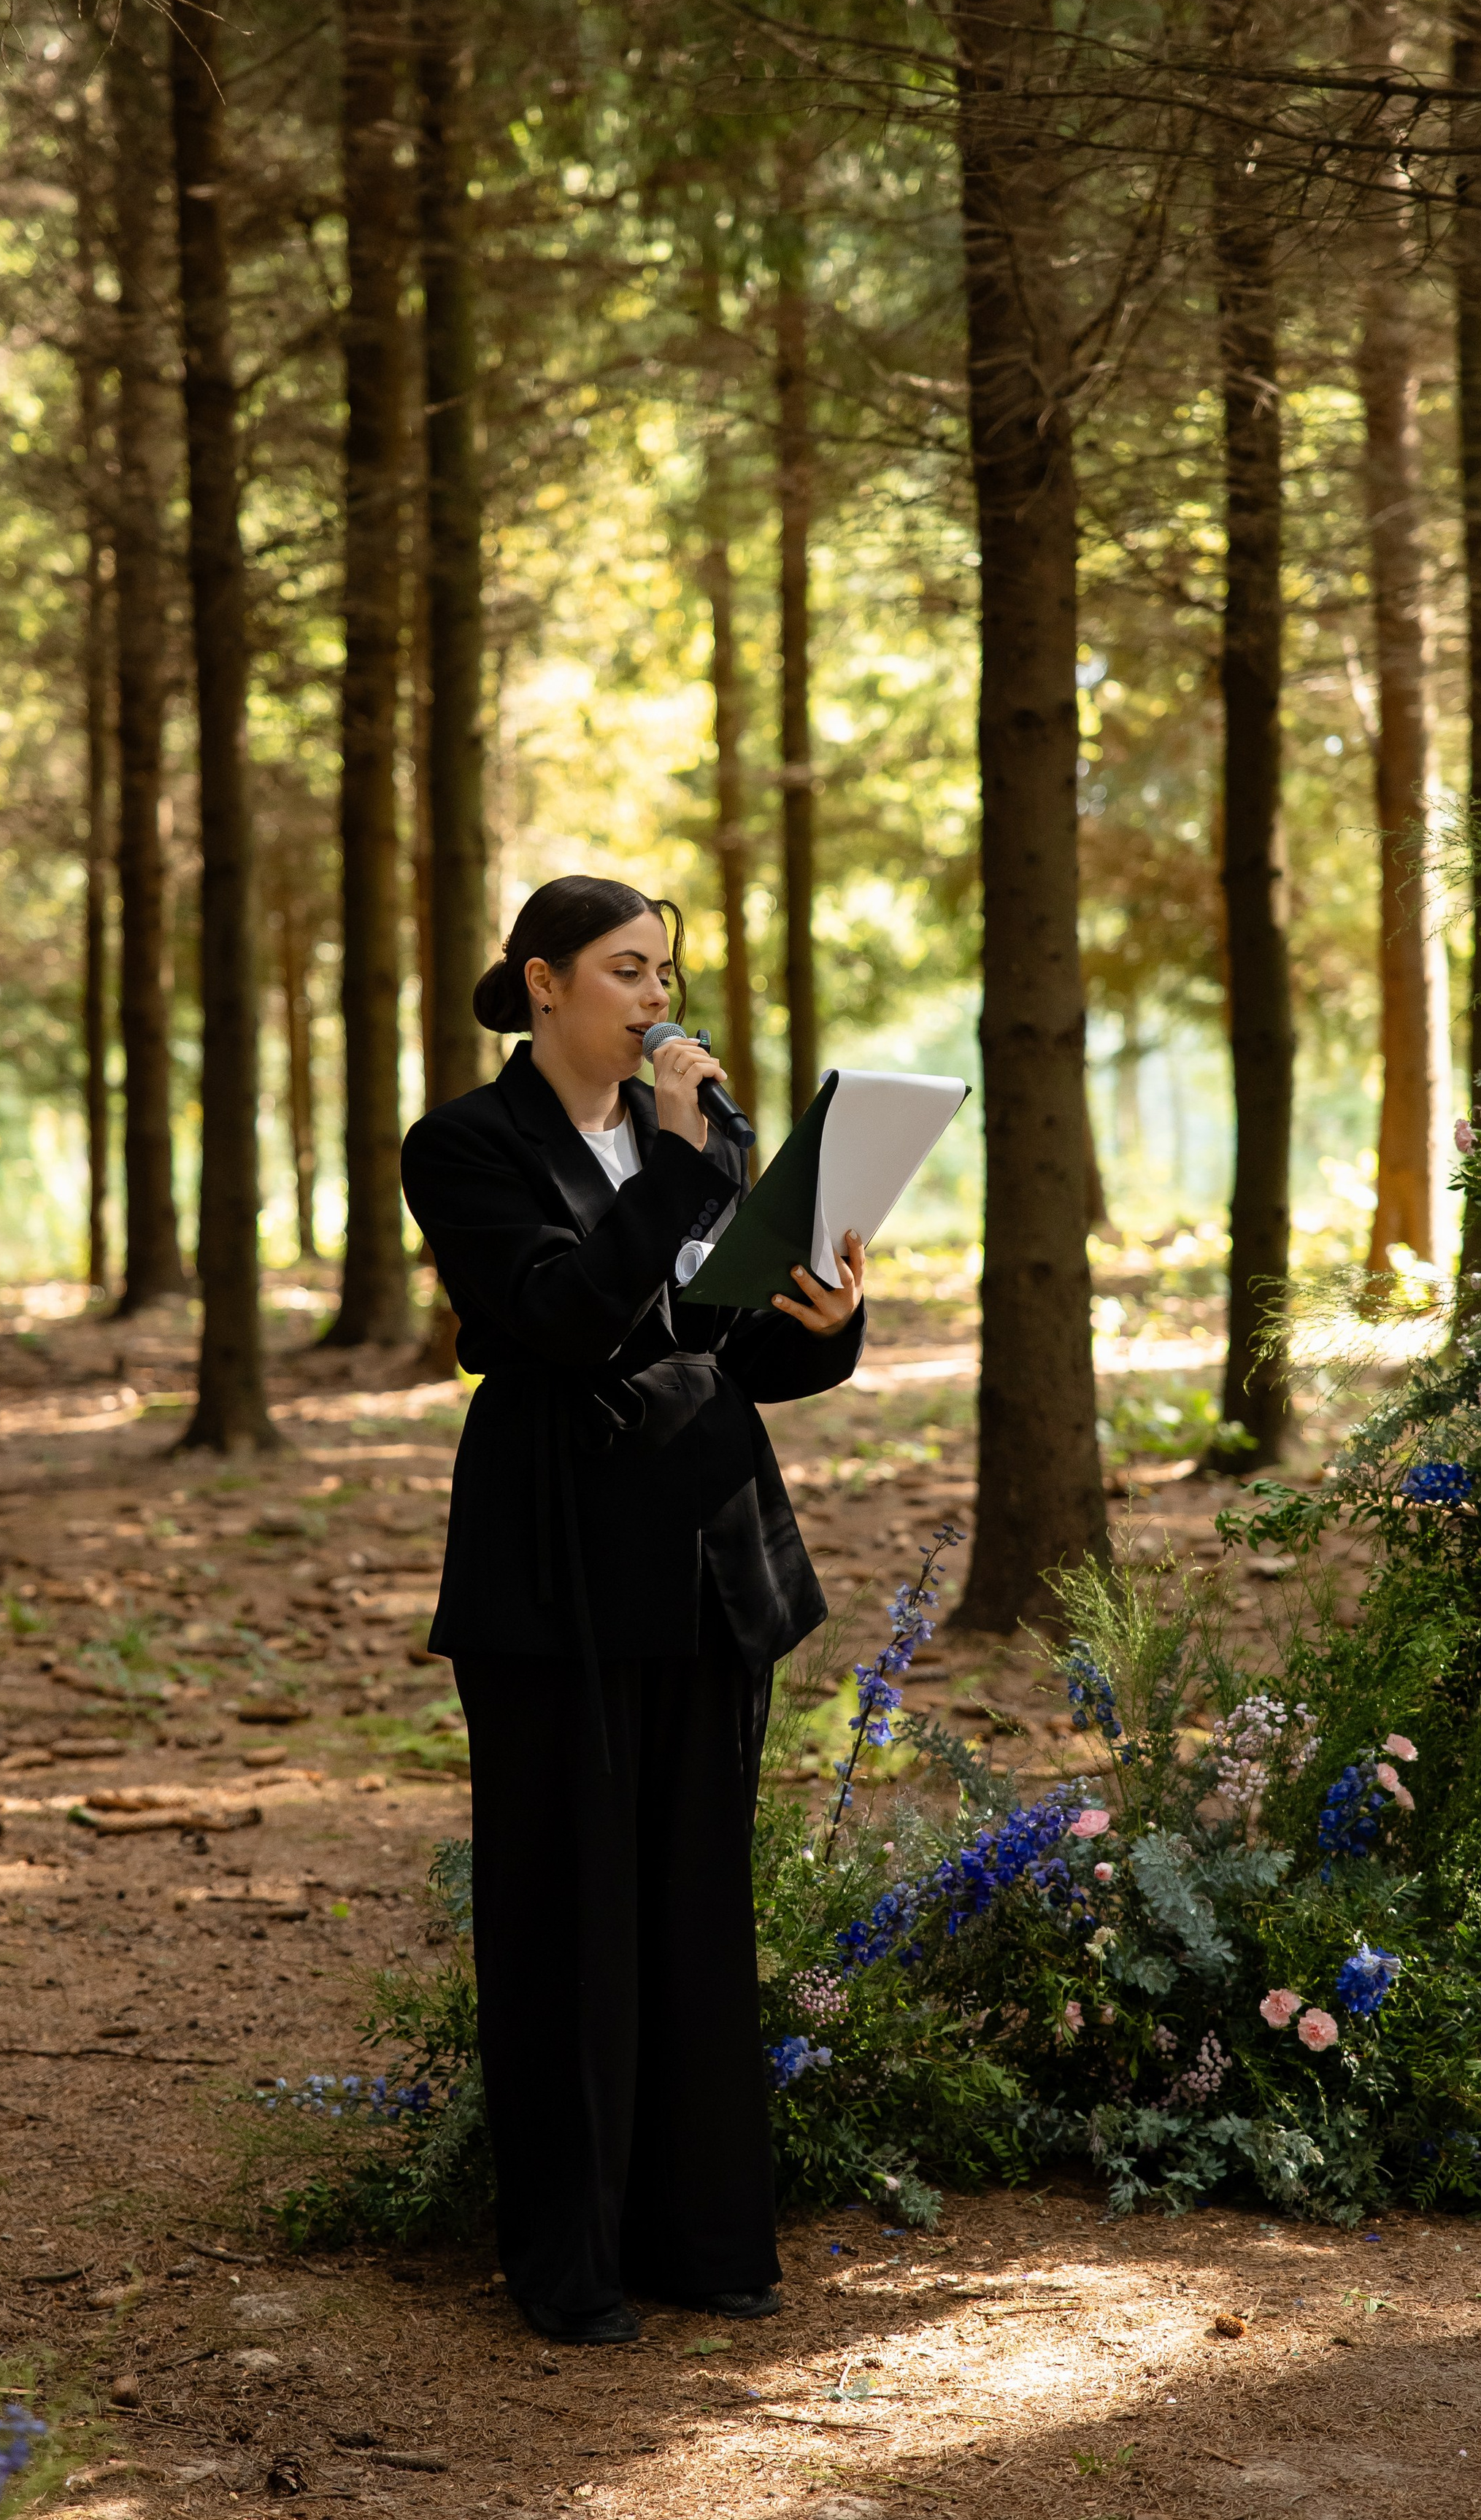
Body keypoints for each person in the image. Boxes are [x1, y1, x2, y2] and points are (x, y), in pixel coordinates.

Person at [400, 874, 865, 2347]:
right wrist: (673, 1162)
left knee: (694, 1901)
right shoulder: (464, 1145)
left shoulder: (707, 1143)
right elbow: (558, 1316)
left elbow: (732, 1351)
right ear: (542, 983)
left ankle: (704, 2238)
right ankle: (571, 2261)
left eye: (663, 971)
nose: (657, 999)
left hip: (709, 1554)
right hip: (555, 1564)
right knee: (566, 1912)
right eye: (625, 969)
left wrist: (830, 1321)